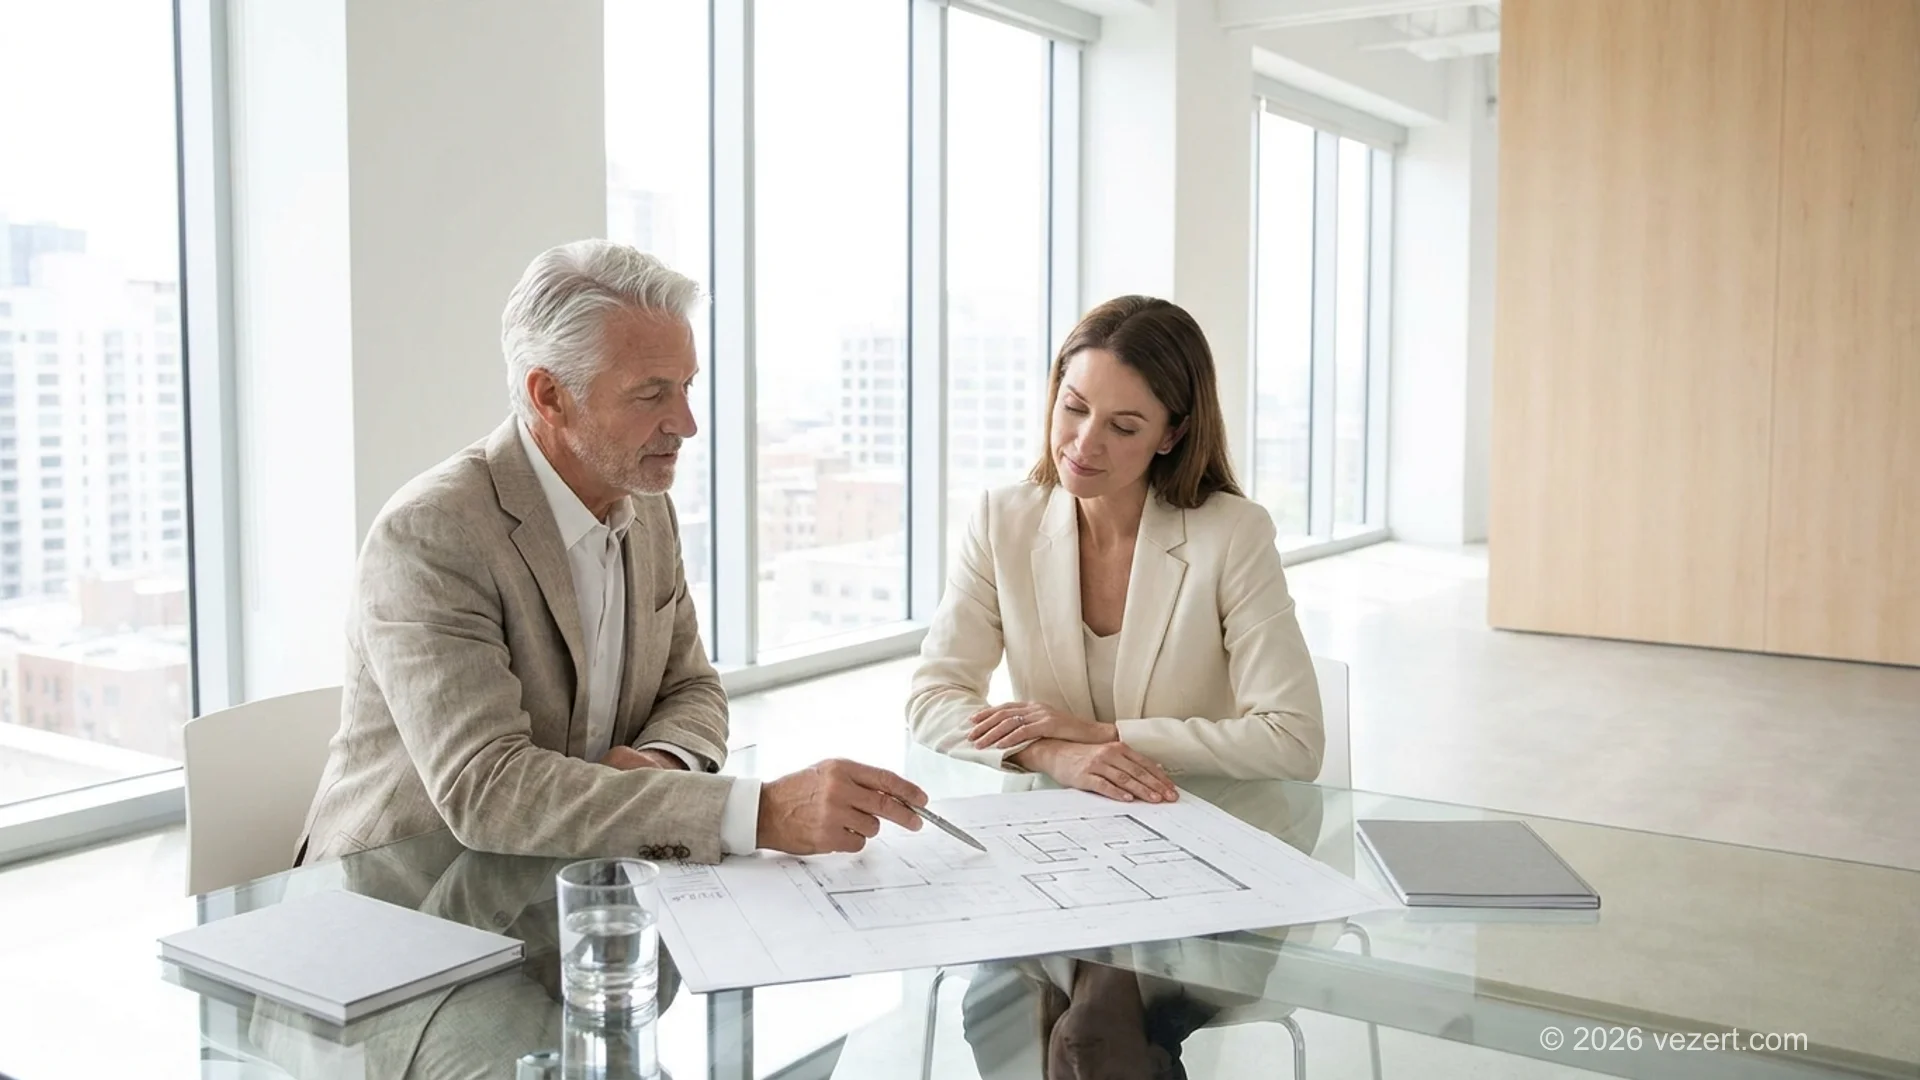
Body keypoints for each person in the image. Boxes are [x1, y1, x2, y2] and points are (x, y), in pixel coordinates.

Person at [298, 240, 924, 868]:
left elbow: (692, 687)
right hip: (408, 889)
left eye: (686, 386)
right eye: (651, 394)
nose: (686, 423)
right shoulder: (432, 533)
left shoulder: (646, 505)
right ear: (550, 396)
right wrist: (759, 813)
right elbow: (488, 789)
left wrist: (658, 764)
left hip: (571, 873)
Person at [906, 294, 1325, 1076]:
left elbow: (1293, 739)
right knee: (1004, 1013)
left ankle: (1109, 1025)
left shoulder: (1232, 534)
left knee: (1097, 1017)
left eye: (1123, 426)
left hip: (1211, 842)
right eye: (1073, 408)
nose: (1083, 443)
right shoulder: (1003, 521)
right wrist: (1056, 756)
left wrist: (1104, 735)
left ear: (1173, 433)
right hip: (1060, 849)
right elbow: (933, 698)